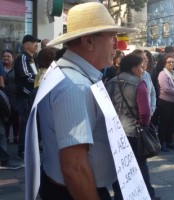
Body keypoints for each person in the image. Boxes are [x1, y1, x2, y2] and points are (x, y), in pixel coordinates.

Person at [32, 2, 136, 199]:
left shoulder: (67, 74)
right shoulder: (76, 86)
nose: (116, 43)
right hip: (76, 191)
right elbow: (75, 168)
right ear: (88, 41)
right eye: (111, 37)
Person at [106, 54, 160, 200]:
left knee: (119, 166)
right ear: (133, 67)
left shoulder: (111, 82)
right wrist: (143, 125)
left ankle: (119, 195)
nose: (142, 69)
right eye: (140, 66)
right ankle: (147, 194)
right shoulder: (139, 83)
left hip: (115, 131)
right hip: (133, 131)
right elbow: (145, 112)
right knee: (140, 164)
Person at [14, 34, 40, 160]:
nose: (36, 45)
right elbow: (26, 75)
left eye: (37, 42)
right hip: (26, 96)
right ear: (26, 45)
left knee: (32, 123)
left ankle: (30, 148)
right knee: (25, 124)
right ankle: (22, 151)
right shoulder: (23, 58)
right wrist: (41, 80)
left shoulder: (31, 58)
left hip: (32, 95)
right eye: (34, 42)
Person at [157, 54, 174, 152]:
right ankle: (161, 143)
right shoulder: (162, 74)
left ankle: (169, 142)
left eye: (173, 62)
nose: (171, 64)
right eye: (169, 62)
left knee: (171, 123)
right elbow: (165, 88)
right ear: (165, 63)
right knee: (163, 124)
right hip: (165, 102)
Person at [131, 49, 156, 116]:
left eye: (146, 60)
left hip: (147, 116)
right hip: (133, 119)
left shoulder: (147, 75)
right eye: (144, 60)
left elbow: (152, 93)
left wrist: (151, 109)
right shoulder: (128, 76)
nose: (146, 62)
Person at [2, 50, 19, 144]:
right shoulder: (1, 68)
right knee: (6, 118)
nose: (6, 58)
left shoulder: (16, 68)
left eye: (8, 56)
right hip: (4, 98)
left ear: (13, 58)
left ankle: (16, 136)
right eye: (4, 56)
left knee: (15, 117)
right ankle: (6, 137)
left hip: (15, 97)